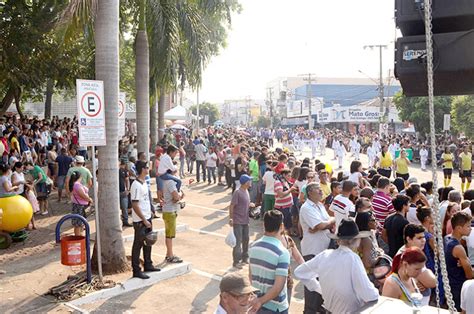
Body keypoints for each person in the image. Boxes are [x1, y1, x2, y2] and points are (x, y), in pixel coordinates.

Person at [294, 218, 379, 313]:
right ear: (356, 240)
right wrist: (319, 288)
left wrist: (320, 289)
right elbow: (369, 294)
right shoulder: (353, 258)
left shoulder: (325, 255)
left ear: (338, 240)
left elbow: (300, 272)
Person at [299, 182, 335, 313]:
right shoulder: (307, 208)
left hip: (323, 250)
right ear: (310, 193)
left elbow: (327, 221)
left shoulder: (319, 205)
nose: (321, 192)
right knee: (312, 287)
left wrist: (328, 222)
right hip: (312, 251)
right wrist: (324, 224)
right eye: (318, 190)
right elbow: (320, 225)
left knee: (321, 285)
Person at [248, 210, 290, 313]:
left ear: (264, 225)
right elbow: (278, 287)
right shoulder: (282, 252)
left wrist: (258, 300)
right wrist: (260, 301)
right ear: (281, 226)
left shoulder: (253, 246)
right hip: (276, 307)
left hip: (257, 303)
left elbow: (251, 276)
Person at [130, 160, 161, 279]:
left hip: (147, 217)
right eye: (147, 167)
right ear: (143, 169)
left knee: (149, 242)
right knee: (138, 245)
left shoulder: (143, 183)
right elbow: (135, 204)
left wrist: (151, 212)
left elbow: (146, 200)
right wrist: (143, 219)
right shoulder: (136, 185)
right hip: (140, 221)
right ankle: (136, 270)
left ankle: (148, 264)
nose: (149, 169)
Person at [445, 211, 473, 311]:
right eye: (468, 226)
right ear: (459, 228)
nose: (471, 228)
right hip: (458, 287)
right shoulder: (458, 248)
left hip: (449, 284)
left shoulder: (446, 238)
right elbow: (469, 275)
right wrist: (468, 263)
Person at [228, 174, 252, 269]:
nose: (250, 182)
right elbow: (232, 205)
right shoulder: (237, 192)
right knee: (238, 242)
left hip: (245, 220)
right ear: (246, 183)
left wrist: (251, 205)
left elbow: (246, 203)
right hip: (238, 220)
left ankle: (245, 257)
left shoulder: (246, 191)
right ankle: (236, 261)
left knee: (246, 239)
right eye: (249, 181)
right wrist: (231, 218)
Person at [162, 168, 184, 264]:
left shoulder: (167, 181)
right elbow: (176, 197)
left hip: (168, 210)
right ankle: (170, 256)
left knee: (169, 234)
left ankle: (168, 254)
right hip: (170, 211)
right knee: (169, 235)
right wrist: (180, 195)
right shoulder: (170, 182)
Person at [69, 171, 93, 236]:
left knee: (80, 223)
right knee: (78, 223)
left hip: (79, 205)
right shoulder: (77, 185)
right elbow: (82, 195)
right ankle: (78, 237)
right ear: (80, 177)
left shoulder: (76, 184)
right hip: (79, 206)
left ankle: (80, 235)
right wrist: (89, 199)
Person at [119, 158, 132, 227]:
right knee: (124, 207)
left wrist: (128, 190)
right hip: (122, 191)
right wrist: (128, 189)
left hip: (123, 191)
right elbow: (127, 180)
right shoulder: (117, 170)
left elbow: (127, 180)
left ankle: (125, 221)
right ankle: (125, 221)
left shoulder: (124, 170)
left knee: (124, 207)